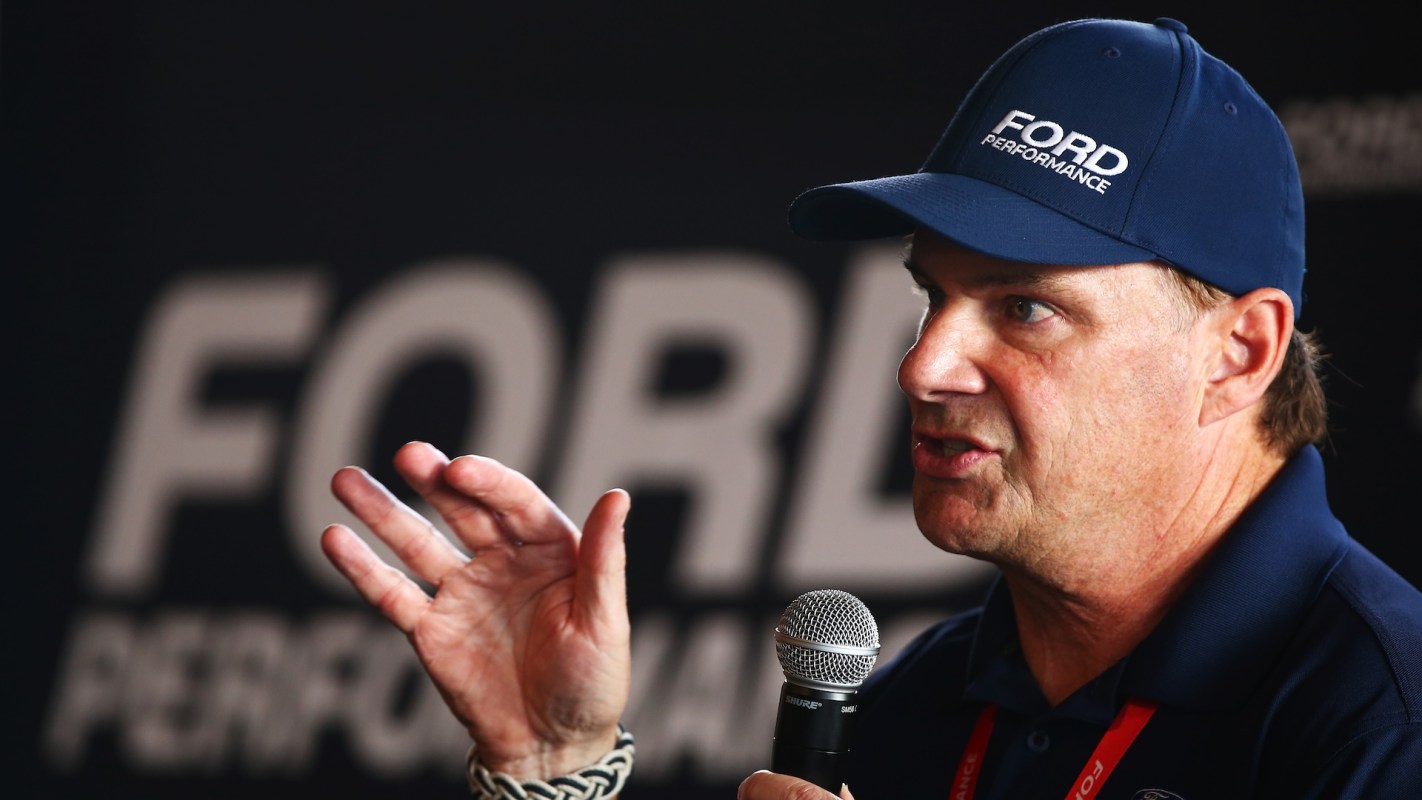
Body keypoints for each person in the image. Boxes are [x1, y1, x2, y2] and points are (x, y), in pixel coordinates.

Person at [319, 16, 1422, 800]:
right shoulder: (917, 704)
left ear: (1239, 352)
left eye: (1026, 307)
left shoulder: (1385, 724)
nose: (924, 365)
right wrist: (556, 771)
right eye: (933, 295)